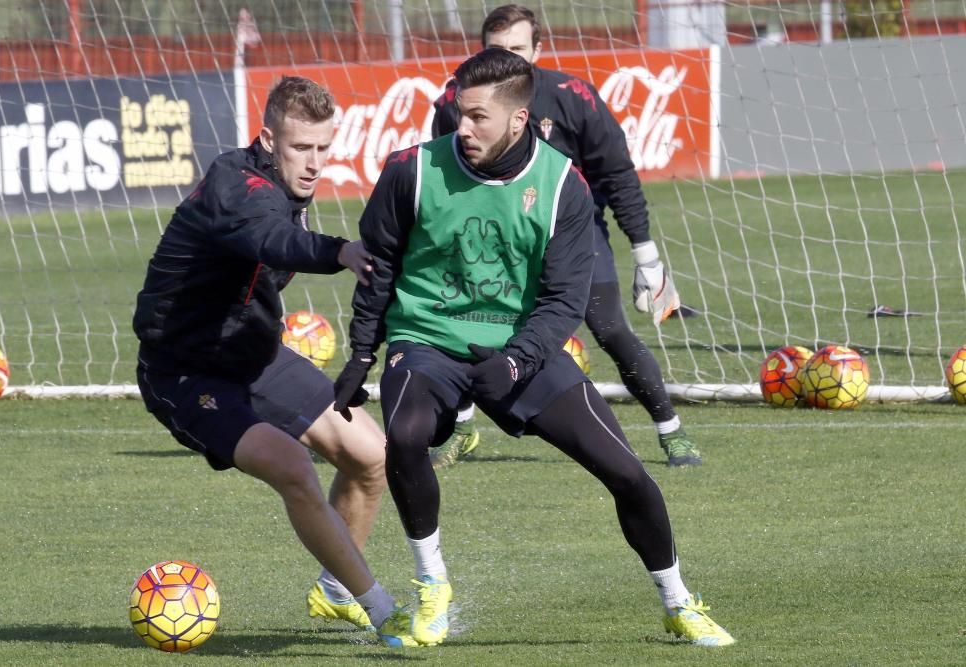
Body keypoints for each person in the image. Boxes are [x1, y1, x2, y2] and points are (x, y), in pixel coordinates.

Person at [334, 48, 734, 647]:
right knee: (409, 435)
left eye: (478, 118)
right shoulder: (409, 170)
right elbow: (379, 267)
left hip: (523, 350)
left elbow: (565, 301)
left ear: (518, 121)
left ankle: (679, 601)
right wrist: (362, 354)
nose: (461, 128)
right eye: (457, 113)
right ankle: (432, 586)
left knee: (628, 474)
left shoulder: (561, 185)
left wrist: (516, 359)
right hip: (427, 342)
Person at [132, 76, 415, 647]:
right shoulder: (237, 188)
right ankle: (386, 614)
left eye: (322, 149)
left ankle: (335, 592)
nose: (313, 164)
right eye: (299, 148)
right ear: (267, 139)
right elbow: (272, 241)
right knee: (292, 465)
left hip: (256, 355)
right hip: (185, 372)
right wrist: (339, 251)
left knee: (371, 455)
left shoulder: (288, 188)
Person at [428, 4, 700, 468]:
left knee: (610, 329)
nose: (509, 59)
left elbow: (617, 176)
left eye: (517, 49)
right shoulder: (456, 104)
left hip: (572, 234)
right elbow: (448, 181)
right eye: (498, 51)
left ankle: (670, 431)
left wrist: (646, 255)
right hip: (494, 239)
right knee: (466, 326)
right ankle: (462, 428)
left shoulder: (574, 96)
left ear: (538, 48)